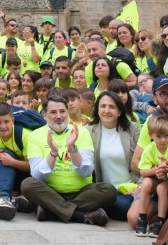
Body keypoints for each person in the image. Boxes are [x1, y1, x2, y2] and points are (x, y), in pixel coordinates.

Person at [21, 94, 116, 224]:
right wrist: (53, 153)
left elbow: (86, 171)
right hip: (50, 191)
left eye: (62, 111)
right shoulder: (35, 136)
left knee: (109, 191)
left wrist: (72, 148)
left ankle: (51, 210)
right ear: (44, 115)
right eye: (53, 112)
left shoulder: (81, 132)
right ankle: (80, 216)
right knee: (28, 184)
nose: (59, 116)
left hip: (81, 193)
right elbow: (38, 176)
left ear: (68, 113)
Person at [86, 89, 140, 220]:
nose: (107, 111)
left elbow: (144, 160)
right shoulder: (88, 130)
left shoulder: (132, 128)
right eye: (103, 106)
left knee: (129, 207)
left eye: (112, 107)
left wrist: (140, 188)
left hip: (130, 189)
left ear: (119, 111)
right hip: (104, 191)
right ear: (97, 110)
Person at [0, 101, 33, 220]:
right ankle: (7, 198)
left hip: (29, 174)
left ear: (12, 121)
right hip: (10, 171)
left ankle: (5, 197)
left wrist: (12, 162)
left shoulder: (25, 136)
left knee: (6, 154)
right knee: (4, 154)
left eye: (6, 122)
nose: (3, 126)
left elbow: (32, 166)